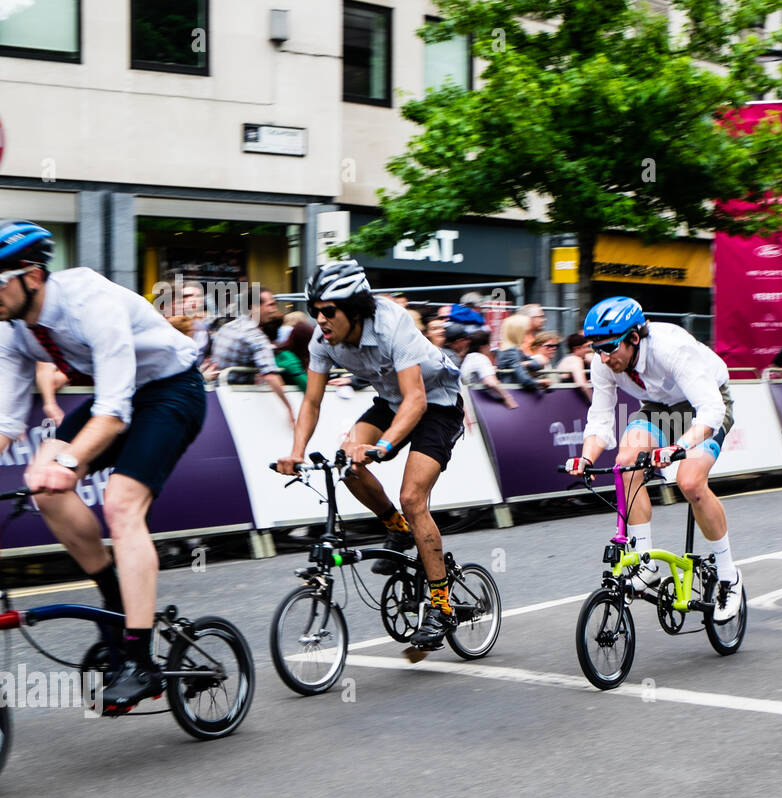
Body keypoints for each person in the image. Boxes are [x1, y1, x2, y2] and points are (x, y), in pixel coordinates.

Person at [0, 221, 207, 712]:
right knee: (41, 483)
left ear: (31, 275)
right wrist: (56, 468)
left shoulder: (89, 300)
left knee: (120, 502)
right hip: (125, 395)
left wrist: (70, 460)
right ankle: (114, 594)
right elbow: (6, 423)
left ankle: (140, 657)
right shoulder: (13, 330)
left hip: (173, 389)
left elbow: (113, 414)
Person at [276, 261, 464, 660]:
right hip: (391, 402)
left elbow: (416, 400)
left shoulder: (392, 323)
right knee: (347, 462)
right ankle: (395, 528)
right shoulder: (323, 341)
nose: (321, 320)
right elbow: (311, 401)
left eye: (329, 311)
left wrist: (384, 446)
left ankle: (442, 606)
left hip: (438, 405)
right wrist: (295, 452)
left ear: (355, 309)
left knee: (414, 498)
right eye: (315, 311)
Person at [565, 296, 743, 620]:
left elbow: (712, 410)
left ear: (634, 338)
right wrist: (586, 459)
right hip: (659, 408)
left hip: (705, 405)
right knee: (626, 461)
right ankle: (645, 563)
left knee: (690, 482)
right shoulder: (604, 361)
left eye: (609, 347)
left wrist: (679, 447)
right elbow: (601, 418)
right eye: (596, 348)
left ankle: (729, 575)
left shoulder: (670, 347)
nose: (603, 357)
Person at [203, 286, 295, 429]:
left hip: (216, 400)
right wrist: (289, 408)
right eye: (270, 305)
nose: (274, 310)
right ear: (254, 308)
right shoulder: (255, 336)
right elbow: (271, 375)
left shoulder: (228, 327)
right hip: (240, 404)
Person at [461, 327, 518, 409]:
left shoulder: (469, 358)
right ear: (483, 347)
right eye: (489, 344)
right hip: (479, 404)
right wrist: (507, 397)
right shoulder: (481, 358)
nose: (490, 347)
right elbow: (491, 382)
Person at [496, 314, 551, 391]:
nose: (527, 336)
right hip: (512, 391)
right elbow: (524, 380)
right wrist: (540, 382)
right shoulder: (511, 351)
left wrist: (526, 364)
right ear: (518, 332)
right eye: (525, 332)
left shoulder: (514, 350)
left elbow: (538, 364)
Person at [556, 333, 593, 402]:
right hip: (568, 401)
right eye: (587, 346)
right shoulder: (575, 360)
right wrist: (594, 402)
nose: (589, 349)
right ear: (577, 348)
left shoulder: (581, 359)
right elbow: (581, 384)